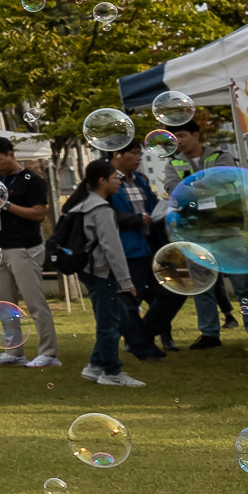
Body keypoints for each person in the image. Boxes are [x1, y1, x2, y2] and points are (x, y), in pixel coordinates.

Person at [0, 136, 57, 369]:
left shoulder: (32, 180)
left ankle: (49, 353)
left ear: (11, 154)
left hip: (24, 247)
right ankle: (14, 351)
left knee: (34, 303)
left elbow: (39, 214)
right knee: (2, 302)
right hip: (1, 247)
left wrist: (6, 204)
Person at [68, 159, 146, 387]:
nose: (119, 182)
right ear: (102, 181)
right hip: (102, 272)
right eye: (114, 178)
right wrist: (125, 281)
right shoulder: (100, 209)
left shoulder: (81, 205)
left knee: (118, 316)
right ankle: (111, 372)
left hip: (89, 270)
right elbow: (112, 248)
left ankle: (95, 365)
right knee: (109, 322)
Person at [165, 118, 241, 348]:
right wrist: (207, 188)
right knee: (202, 285)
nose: (178, 142)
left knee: (243, 285)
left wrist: (191, 189)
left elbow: (228, 182)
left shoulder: (220, 156)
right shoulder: (173, 164)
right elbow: (172, 189)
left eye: (182, 135)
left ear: (196, 135)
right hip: (196, 233)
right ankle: (209, 334)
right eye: (174, 138)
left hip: (227, 231)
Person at [109, 139, 181, 359]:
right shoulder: (108, 181)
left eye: (140, 153)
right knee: (132, 299)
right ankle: (142, 346)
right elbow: (106, 213)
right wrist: (135, 219)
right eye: (134, 153)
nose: (139, 158)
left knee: (173, 293)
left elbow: (150, 207)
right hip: (128, 249)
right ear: (117, 155)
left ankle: (142, 336)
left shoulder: (140, 179)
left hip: (151, 245)